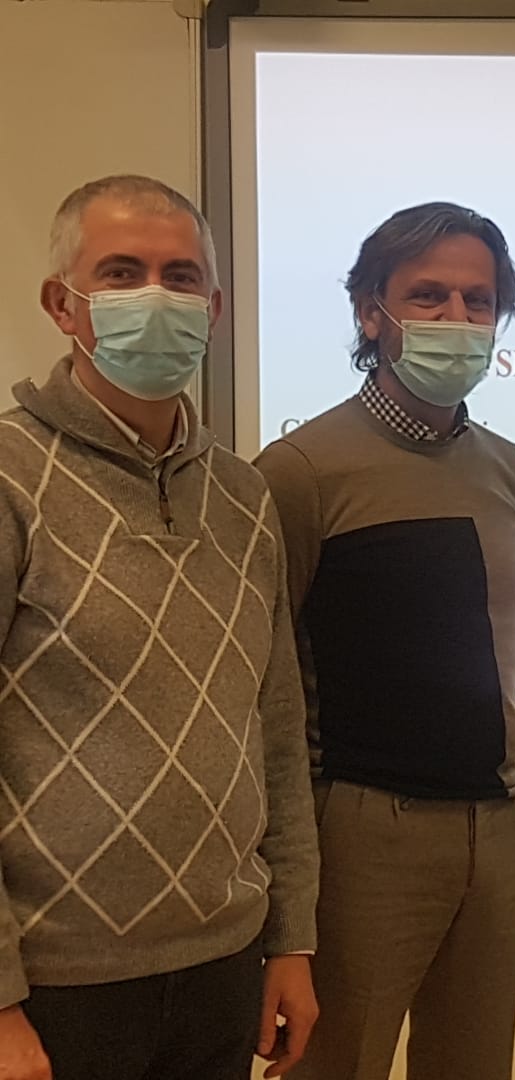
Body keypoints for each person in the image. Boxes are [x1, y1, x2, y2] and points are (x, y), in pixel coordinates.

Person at [0, 174, 319, 1080]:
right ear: (63, 305)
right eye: (121, 272)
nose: (156, 297)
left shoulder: (245, 495)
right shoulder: (9, 478)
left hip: (224, 963)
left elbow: (276, 733)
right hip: (55, 986)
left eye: (181, 277)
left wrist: (290, 940)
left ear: (213, 309)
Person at [255, 202, 515, 1080]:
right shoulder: (299, 473)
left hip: (503, 827)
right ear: (370, 311)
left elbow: (512, 647)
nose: (457, 318)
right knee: (335, 1065)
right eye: (428, 295)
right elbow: (269, 689)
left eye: (478, 300)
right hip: (364, 835)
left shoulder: (512, 470)